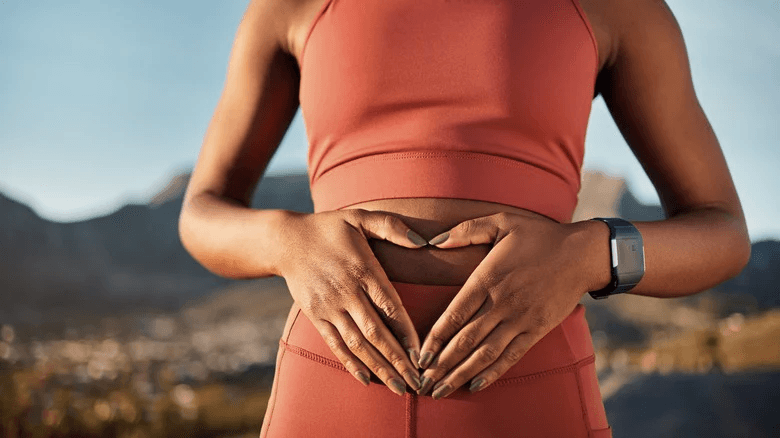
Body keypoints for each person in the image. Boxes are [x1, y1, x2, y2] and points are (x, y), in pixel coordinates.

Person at [178, 0, 750, 436]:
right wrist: (286, 242)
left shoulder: (621, 10)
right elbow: (202, 211)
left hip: (531, 392)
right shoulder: (288, 6)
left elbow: (722, 231)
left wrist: (589, 254)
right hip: (330, 389)